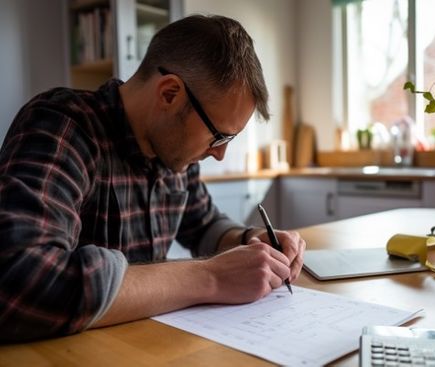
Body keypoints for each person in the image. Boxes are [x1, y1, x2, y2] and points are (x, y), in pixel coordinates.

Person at [0, 14, 306, 342]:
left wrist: (250, 239)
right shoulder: (63, 126)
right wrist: (210, 277)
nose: (218, 154)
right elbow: (21, 280)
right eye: (218, 137)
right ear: (170, 94)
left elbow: (204, 224)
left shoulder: (174, 155)